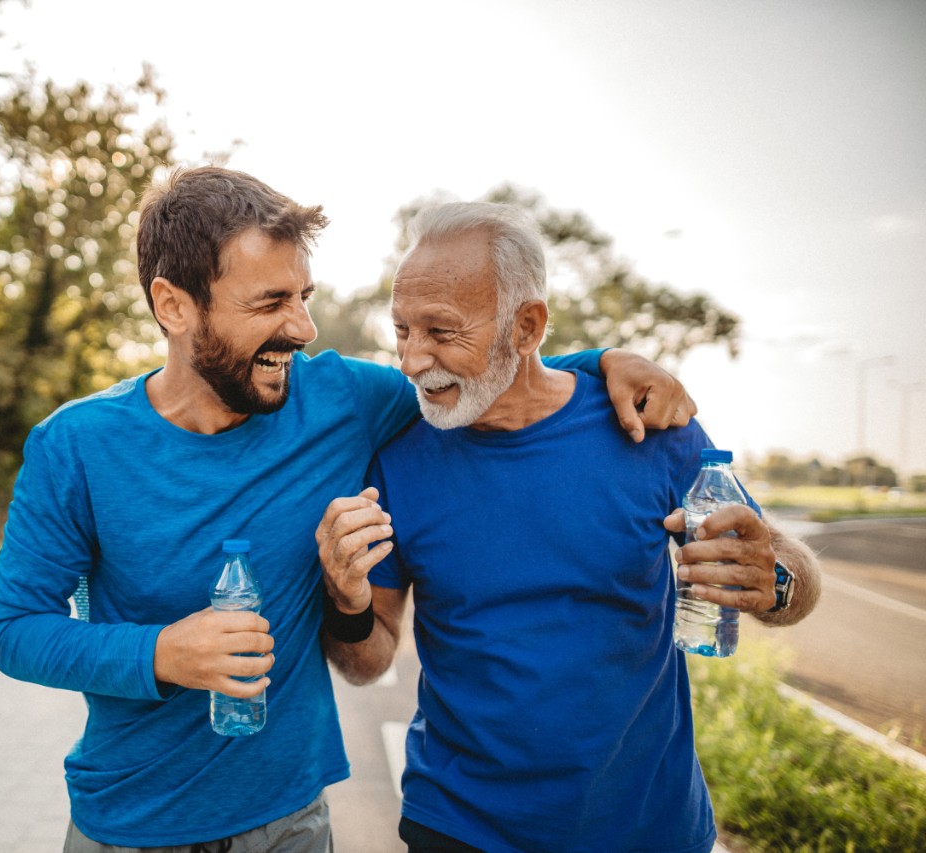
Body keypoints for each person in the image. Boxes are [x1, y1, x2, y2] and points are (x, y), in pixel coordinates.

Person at [0, 167, 699, 852]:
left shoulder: (343, 403)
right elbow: (15, 628)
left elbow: (488, 370)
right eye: (269, 303)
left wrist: (605, 361)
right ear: (174, 305)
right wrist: (160, 652)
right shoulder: (74, 446)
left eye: (304, 295)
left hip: (287, 821)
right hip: (126, 820)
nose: (303, 327)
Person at [315, 201, 821, 853]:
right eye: (402, 329)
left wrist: (774, 582)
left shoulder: (648, 428)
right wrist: (348, 603)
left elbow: (791, 580)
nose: (413, 359)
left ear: (526, 327)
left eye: (441, 331)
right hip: (460, 827)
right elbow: (368, 659)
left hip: (650, 827)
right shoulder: (399, 457)